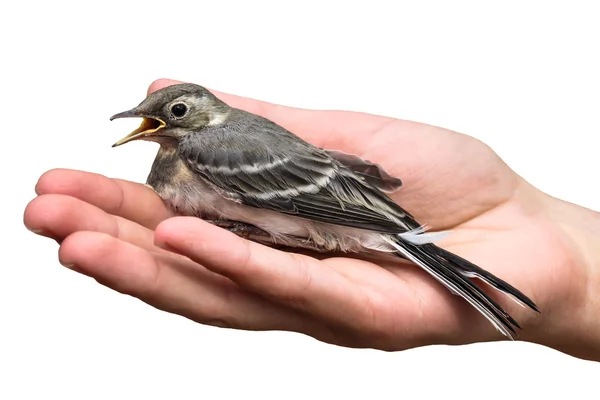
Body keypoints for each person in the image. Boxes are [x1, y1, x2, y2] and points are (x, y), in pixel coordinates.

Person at [23, 79, 599, 362]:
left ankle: (473, 282)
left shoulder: (211, 150)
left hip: (349, 216)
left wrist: (392, 230)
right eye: (156, 118)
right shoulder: (184, 154)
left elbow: (307, 199)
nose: (161, 122)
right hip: (352, 210)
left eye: (174, 113)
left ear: (203, 112)